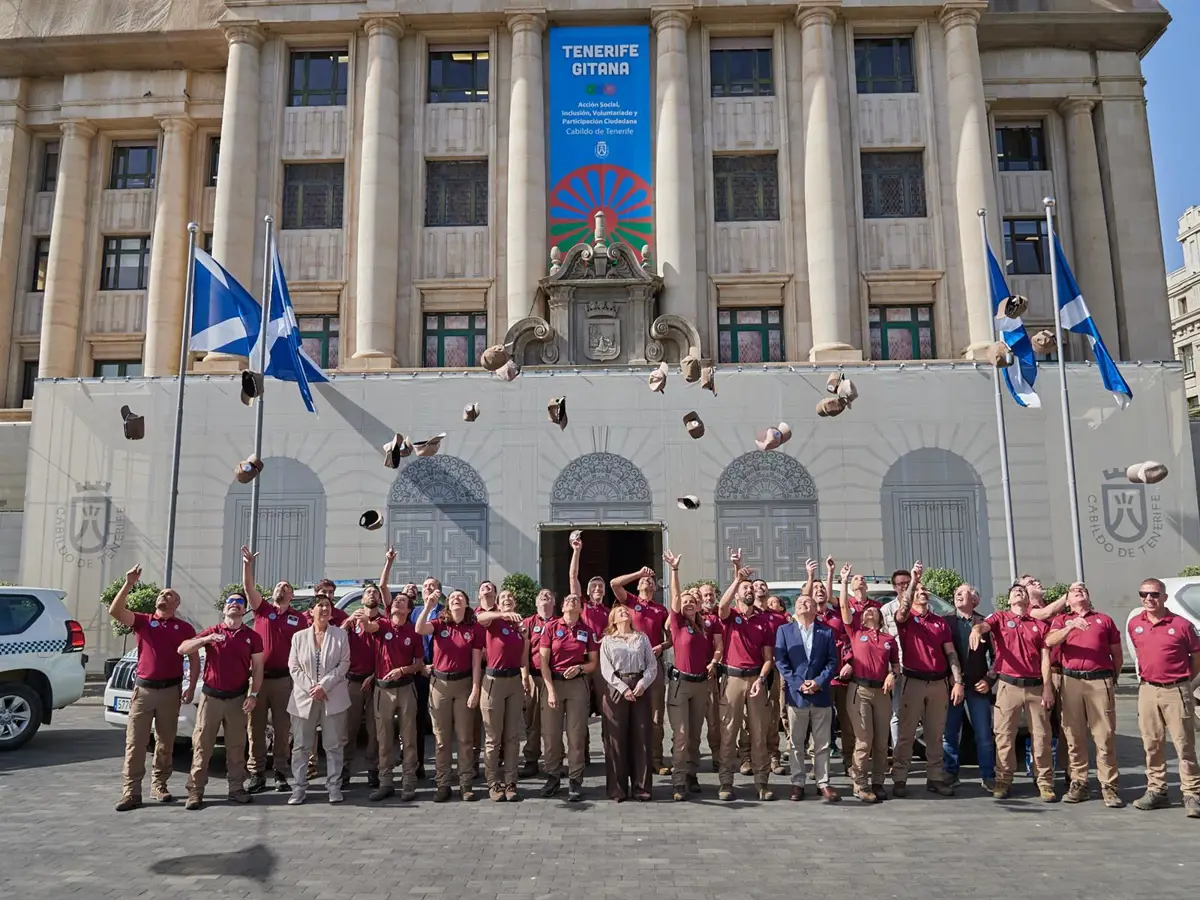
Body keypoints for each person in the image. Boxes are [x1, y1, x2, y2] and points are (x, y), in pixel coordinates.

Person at [109, 565, 198, 811]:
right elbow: (115, 611)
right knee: (135, 742)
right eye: (161, 594)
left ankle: (159, 785)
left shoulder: (184, 628)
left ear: (176, 603)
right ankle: (131, 792)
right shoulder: (143, 621)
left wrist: (190, 687)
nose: (163, 596)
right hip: (144, 691)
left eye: (169, 594)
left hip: (171, 691)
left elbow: (194, 658)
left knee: (165, 741)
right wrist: (128, 584)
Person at [969, 583, 1055, 801]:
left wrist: (1047, 688)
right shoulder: (999, 618)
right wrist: (976, 629)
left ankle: (1044, 782)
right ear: (1009, 600)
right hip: (1008, 685)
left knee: (1042, 737)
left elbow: (1045, 659)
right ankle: (1004, 781)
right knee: (1004, 735)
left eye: (1023, 591)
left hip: (1035, 686)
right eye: (1015, 592)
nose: (1019, 593)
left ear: (1028, 600)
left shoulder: (1039, 625)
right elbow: (984, 626)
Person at [179, 593, 264, 810]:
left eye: (239, 603)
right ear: (224, 609)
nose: (234, 605)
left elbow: (258, 668)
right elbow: (183, 648)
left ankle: (236, 789)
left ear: (244, 610)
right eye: (230, 602)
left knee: (236, 746)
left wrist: (253, 695)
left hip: (237, 698)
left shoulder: (252, 637)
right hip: (211, 698)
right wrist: (205, 640)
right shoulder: (213, 631)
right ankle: (196, 791)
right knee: (202, 745)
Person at [1045, 582, 1124, 807]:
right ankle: (1078, 782)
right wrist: (1070, 627)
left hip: (1100, 680)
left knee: (1105, 735)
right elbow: (1050, 641)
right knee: (1073, 735)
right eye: (1073, 591)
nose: (1078, 592)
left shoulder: (1104, 620)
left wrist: (1112, 678)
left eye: (1083, 590)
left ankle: (1109, 786)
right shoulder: (1061, 620)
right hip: (1071, 681)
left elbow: (1117, 655)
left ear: (1089, 597)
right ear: (1067, 601)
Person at [1126, 577, 1200, 817]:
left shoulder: (1182, 625)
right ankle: (1157, 791)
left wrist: (1184, 680)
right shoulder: (1135, 624)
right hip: (1147, 690)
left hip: (1176, 689)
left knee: (1184, 744)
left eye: (1154, 594)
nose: (1149, 598)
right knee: (1152, 743)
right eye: (1144, 594)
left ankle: (1192, 794)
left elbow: (1197, 657)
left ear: (1164, 597)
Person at [892, 561, 963, 798]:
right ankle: (900, 778)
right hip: (913, 682)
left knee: (935, 734)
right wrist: (913, 580)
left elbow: (950, 652)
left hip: (938, 683)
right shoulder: (906, 618)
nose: (923, 594)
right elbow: (902, 611)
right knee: (906, 733)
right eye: (919, 592)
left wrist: (958, 681)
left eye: (925, 591)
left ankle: (935, 778)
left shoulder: (939, 622)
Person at [240, 546, 305, 793]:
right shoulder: (262, 610)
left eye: (285, 587)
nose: (280, 589)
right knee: (255, 727)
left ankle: (280, 771)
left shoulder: (299, 619)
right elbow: (248, 588)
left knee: (282, 727)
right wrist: (248, 565)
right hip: (258, 680)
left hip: (284, 681)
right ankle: (256, 773)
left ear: (291, 595)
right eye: (278, 587)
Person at [716, 550, 775, 801]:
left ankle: (762, 783)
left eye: (752, 589)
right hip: (732, 679)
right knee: (728, 732)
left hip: (756, 680)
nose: (750, 591)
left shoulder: (764, 621)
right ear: (738, 592)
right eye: (745, 589)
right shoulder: (731, 617)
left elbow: (769, 659)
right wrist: (737, 579)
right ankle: (726, 783)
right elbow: (721, 606)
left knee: (759, 732)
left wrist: (761, 680)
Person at [416, 588, 483, 802]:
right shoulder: (439, 624)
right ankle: (443, 784)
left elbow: (476, 663)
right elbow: (419, 629)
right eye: (452, 597)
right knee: (441, 739)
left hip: (463, 684)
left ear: (466, 604)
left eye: (460, 597)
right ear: (448, 604)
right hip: (440, 685)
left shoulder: (474, 628)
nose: (456, 599)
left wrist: (475, 689)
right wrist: (428, 605)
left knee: (464, 738)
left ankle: (465, 784)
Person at [838, 563, 898, 802]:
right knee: (864, 739)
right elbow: (844, 605)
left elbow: (895, 665)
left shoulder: (888, 638)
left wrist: (893, 674)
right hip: (859, 690)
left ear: (880, 617)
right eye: (866, 613)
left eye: (873, 613)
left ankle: (878, 781)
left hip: (881, 692)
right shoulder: (855, 633)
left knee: (882, 741)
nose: (869, 614)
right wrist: (843, 582)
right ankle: (860, 783)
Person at [663, 552, 721, 800]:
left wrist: (714, 662)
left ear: (698, 605)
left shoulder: (705, 626)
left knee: (696, 734)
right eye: (684, 601)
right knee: (682, 733)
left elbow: (716, 648)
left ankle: (691, 774)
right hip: (681, 684)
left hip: (701, 684)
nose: (688, 604)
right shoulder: (676, 622)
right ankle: (678, 781)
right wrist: (675, 571)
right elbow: (676, 598)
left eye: (691, 601)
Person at [776, 591, 840, 802]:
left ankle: (823, 783)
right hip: (797, 696)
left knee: (822, 743)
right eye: (800, 602)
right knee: (796, 742)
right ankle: (798, 782)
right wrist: (798, 683)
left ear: (815, 609)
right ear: (795, 609)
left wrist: (818, 683)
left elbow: (832, 662)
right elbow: (781, 661)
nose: (804, 605)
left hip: (820, 695)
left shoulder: (827, 632)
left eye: (808, 602)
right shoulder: (784, 630)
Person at [285, 596, 351, 804]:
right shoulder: (299, 637)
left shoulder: (340, 635)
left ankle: (334, 787)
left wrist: (325, 686)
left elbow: (344, 663)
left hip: (334, 696)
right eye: (320, 606)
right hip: (304, 698)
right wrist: (312, 688)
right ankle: (299, 788)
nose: (324, 609)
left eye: (327, 606)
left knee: (333, 745)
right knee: (301, 746)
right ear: (311, 611)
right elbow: (293, 667)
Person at [340, 550, 395, 788]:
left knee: (375, 730)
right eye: (368, 592)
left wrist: (374, 675)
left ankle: (373, 768)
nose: (372, 594)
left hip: (375, 682)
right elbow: (335, 643)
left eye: (375, 592)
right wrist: (347, 623)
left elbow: (386, 654)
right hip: (352, 681)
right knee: (348, 728)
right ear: (361, 599)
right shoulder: (351, 621)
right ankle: (344, 768)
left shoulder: (383, 622)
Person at [611, 564, 671, 775]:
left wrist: (661, 646)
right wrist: (639, 572)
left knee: (655, 716)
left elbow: (671, 638)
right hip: (628, 668)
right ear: (637, 585)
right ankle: (630, 759)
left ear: (656, 588)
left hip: (653, 667)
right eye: (644, 580)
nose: (647, 581)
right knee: (628, 715)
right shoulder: (629, 602)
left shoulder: (661, 609)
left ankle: (656, 758)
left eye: (651, 580)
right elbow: (614, 583)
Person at [539, 592, 599, 801]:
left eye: (576, 600)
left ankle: (575, 779)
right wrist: (550, 690)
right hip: (553, 683)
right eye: (568, 600)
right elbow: (543, 662)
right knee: (551, 734)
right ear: (562, 607)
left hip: (577, 685)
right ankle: (553, 775)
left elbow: (593, 663)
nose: (572, 601)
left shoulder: (587, 631)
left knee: (576, 735)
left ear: (581, 609)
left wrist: (580, 668)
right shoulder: (551, 628)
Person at [598, 603, 658, 801]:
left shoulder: (642, 638)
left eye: (626, 610)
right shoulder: (607, 640)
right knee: (616, 738)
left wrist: (643, 683)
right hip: (617, 688)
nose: (625, 612)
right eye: (619, 611)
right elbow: (606, 669)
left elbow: (652, 664)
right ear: (613, 619)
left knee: (641, 736)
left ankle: (641, 787)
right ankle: (617, 788)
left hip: (640, 686)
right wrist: (622, 688)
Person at [368, 590, 423, 802]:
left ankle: (408, 782)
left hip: (406, 687)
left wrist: (402, 670)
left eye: (403, 601)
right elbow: (368, 626)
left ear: (409, 609)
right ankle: (386, 782)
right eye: (396, 600)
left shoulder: (413, 632)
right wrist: (363, 620)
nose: (399, 602)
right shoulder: (382, 625)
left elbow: (419, 664)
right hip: (383, 689)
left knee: (408, 738)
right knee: (384, 739)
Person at [942, 584, 996, 792]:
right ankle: (950, 772)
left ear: (975, 600)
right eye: (955, 592)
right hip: (952, 686)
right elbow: (940, 654)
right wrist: (949, 679)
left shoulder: (985, 623)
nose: (957, 594)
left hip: (977, 687)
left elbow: (997, 656)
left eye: (963, 592)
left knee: (983, 734)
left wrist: (989, 680)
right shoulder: (945, 621)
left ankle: (988, 775)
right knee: (950, 733)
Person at [477, 589, 529, 802]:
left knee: (512, 737)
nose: (507, 600)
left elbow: (523, 659)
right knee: (493, 738)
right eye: (503, 598)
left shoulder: (518, 628)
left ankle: (511, 782)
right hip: (493, 682)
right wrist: (500, 614)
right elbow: (480, 618)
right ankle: (493, 782)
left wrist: (525, 637)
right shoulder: (493, 620)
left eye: (511, 598)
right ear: (498, 603)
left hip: (514, 681)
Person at [807, 557, 852, 775]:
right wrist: (812, 577)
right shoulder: (808, 619)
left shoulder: (837, 616)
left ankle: (850, 765)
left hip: (841, 678)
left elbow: (850, 639)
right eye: (815, 589)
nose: (819, 591)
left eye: (822, 588)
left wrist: (850, 662)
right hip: (820, 679)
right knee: (821, 725)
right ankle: (820, 767)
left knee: (848, 723)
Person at [570, 534, 608, 766]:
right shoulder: (581, 605)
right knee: (580, 711)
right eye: (593, 586)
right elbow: (573, 577)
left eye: (600, 586)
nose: (596, 588)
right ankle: (581, 755)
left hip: (603, 666)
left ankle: (610, 752)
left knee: (608, 710)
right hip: (584, 663)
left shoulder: (609, 610)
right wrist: (577, 551)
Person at [520, 588, 557, 777]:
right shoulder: (527, 623)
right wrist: (524, 677)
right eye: (541, 595)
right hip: (533, 678)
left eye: (549, 596)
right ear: (536, 603)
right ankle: (531, 759)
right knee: (532, 722)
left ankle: (555, 761)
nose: (545, 597)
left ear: (554, 603)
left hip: (554, 680)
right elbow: (522, 653)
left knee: (554, 723)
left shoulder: (560, 624)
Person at [409, 580, 442, 780]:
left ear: (438, 591)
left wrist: (436, 666)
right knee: (417, 721)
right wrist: (420, 666)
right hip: (419, 672)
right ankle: (418, 764)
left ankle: (442, 767)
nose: (428, 589)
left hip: (440, 671)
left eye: (432, 586)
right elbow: (411, 640)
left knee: (441, 722)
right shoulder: (414, 612)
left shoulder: (445, 612)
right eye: (425, 586)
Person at [880, 567, 913, 745]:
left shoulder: (924, 606)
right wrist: (890, 671)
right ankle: (898, 751)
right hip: (898, 666)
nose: (904, 587)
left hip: (921, 667)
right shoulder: (886, 610)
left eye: (907, 583)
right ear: (894, 587)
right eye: (900, 584)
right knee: (897, 712)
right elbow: (883, 641)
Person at [698, 581, 723, 771]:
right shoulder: (686, 615)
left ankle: (717, 756)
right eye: (704, 595)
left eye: (711, 594)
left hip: (711, 674)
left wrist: (713, 663)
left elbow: (719, 645)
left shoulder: (716, 618)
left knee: (714, 720)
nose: (708, 598)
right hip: (688, 675)